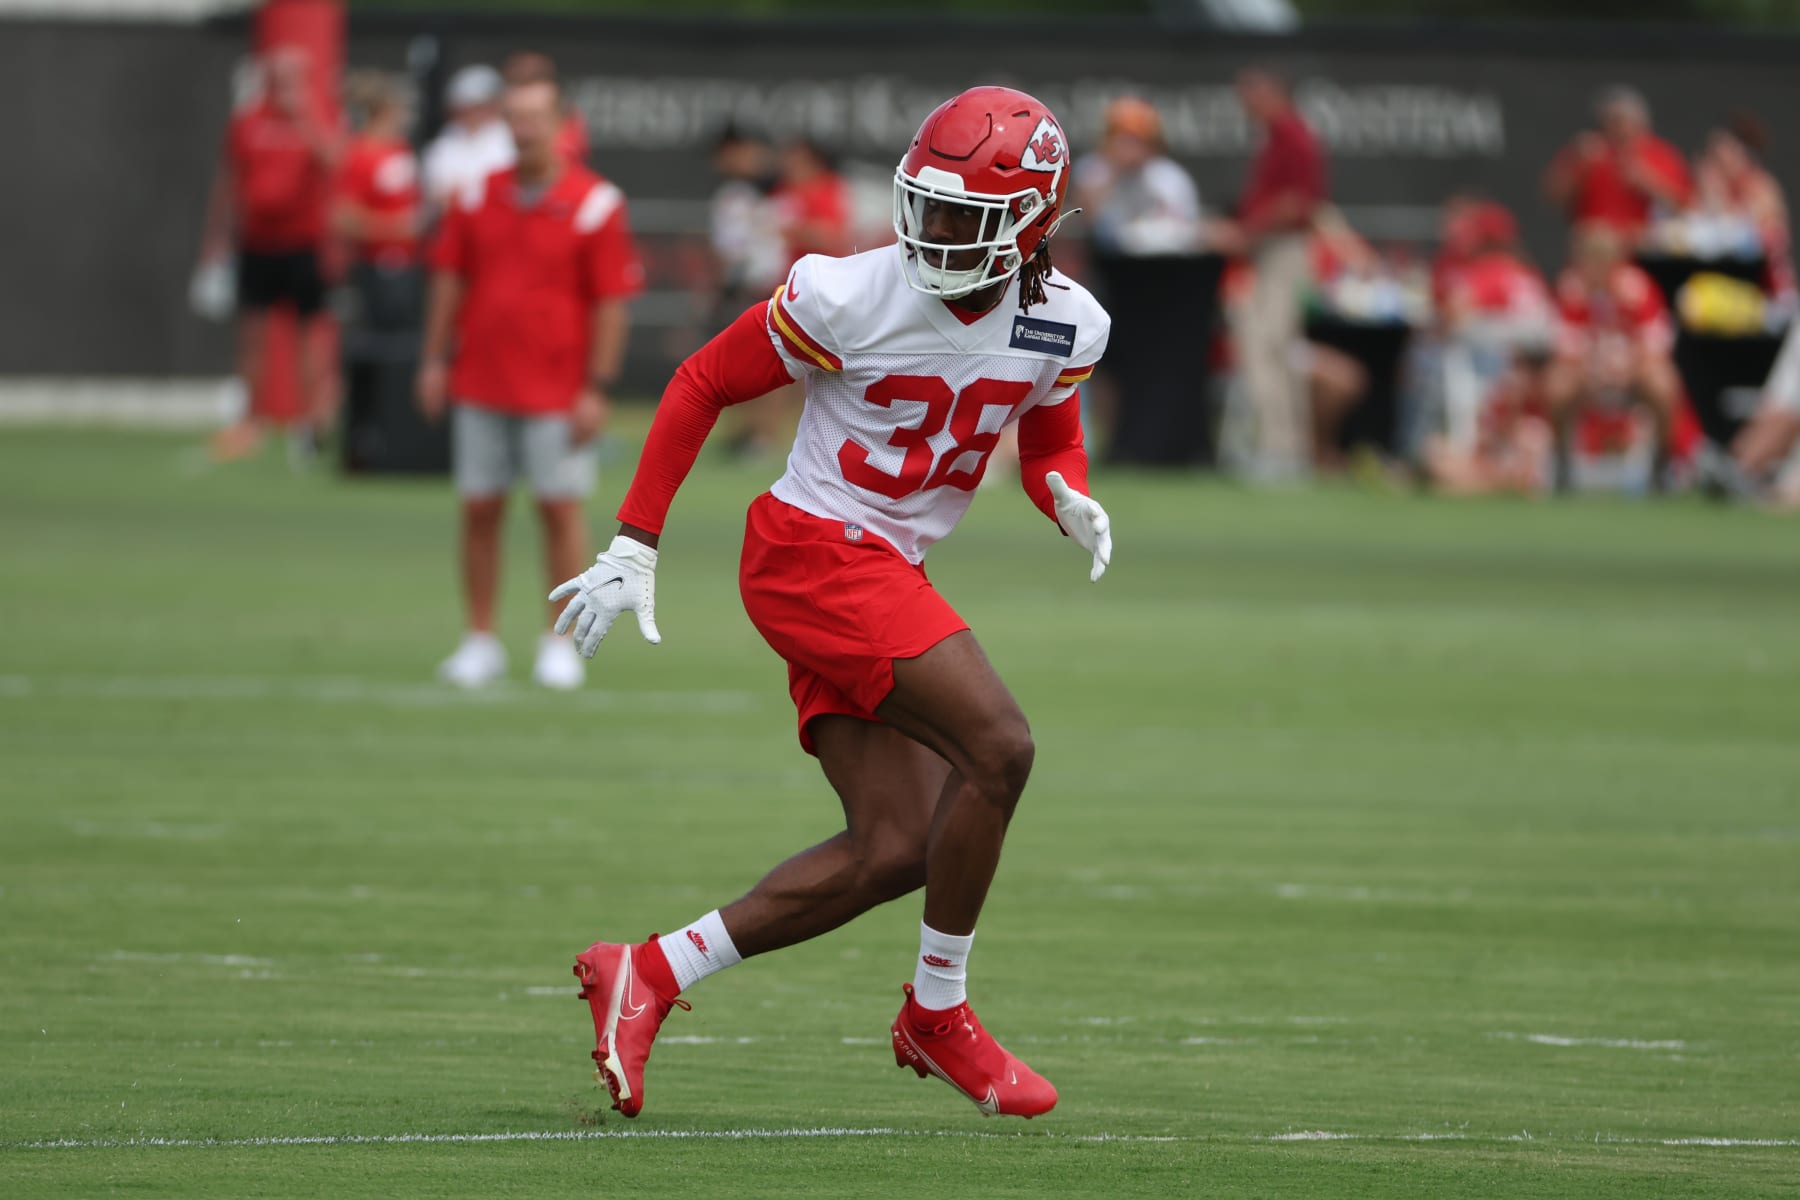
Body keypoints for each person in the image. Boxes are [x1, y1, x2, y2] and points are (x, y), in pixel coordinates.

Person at [547, 86, 1113, 1121]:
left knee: (897, 846)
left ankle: (650, 972)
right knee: (1002, 747)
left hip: (882, 568)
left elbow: (1049, 440)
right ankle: (938, 1013)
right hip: (814, 551)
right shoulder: (850, 294)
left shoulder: (1067, 321)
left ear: (1032, 220)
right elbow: (703, 381)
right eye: (925, 207)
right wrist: (634, 540)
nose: (934, 234)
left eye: (963, 218)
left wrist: (1063, 493)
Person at [418, 71, 644, 690]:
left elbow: (611, 303)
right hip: (481, 381)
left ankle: (557, 643)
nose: (522, 130)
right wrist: (434, 358)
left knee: (559, 510)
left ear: (559, 123)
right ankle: (479, 639)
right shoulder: (473, 195)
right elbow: (448, 279)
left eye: (534, 117)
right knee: (479, 509)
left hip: (555, 388)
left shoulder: (596, 202)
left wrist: (597, 386)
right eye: (512, 118)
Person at [196, 46, 343, 461]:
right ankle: (249, 423)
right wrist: (216, 239)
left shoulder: (316, 116)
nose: (283, 87)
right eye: (277, 78)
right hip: (258, 244)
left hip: (303, 244)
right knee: (252, 337)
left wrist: (305, 118)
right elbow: (229, 182)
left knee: (308, 338)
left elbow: (335, 160)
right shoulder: (247, 122)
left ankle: (308, 425)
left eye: (291, 78)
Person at [1217, 67, 1328, 480]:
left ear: (1272, 93)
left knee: (1268, 345)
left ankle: (1281, 452)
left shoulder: (1292, 136)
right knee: (1267, 347)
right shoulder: (1277, 136)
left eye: (1251, 98)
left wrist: (1246, 233)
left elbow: (1299, 204)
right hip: (1270, 250)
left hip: (1282, 250)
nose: (1247, 108)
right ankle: (1281, 449)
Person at [1544, 223, 1682, 491]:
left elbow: (1656, 346)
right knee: (1556, 384)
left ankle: (1661, 464)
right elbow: (1565, 350)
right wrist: (1592, 372)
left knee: (1663, 382)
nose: (1596, 268)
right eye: (1590, 259)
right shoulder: (1571, 290)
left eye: (1602, 259)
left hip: (1631, 376)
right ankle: (1562, 464)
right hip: (1587, 377)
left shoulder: (1638, 289)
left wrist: (1628, 371)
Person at [1543, 86, 1692, 245]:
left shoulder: (1660, 154)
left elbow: (1685, 207)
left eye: (1621, 121)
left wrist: (1647, 181)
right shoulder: (1588, 150)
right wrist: (1574, 164)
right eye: (1609, 121)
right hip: (1594, 245)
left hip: (1645, 244)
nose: (1617, 128)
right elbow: (1552, 199)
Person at [1072, 96, 1202, 257]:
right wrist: (1116, 171)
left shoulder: (1169, 176)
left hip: (1160, 262)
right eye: (1122, 140)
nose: (1130, 148)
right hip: (1106, 262)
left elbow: (1187, 231)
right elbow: (1084, 218)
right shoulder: (1092, 169)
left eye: (1137, 140)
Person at [1691, 114, 1793, 299]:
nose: (1716, 162)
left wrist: (1716, 195)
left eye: (1721, 154)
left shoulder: (1762, 187)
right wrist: (1712, 191)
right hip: (1725, 285)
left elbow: (1747, 238)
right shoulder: (1717, 187)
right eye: (1712, 156)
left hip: (1768, 291)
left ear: (1741, 153)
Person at [420, 64, 511, 221]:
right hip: (456, 224)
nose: (470, 113)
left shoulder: (507, 136)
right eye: (464, 107)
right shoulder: (446, 140)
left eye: (476, 106)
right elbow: (437, 193)